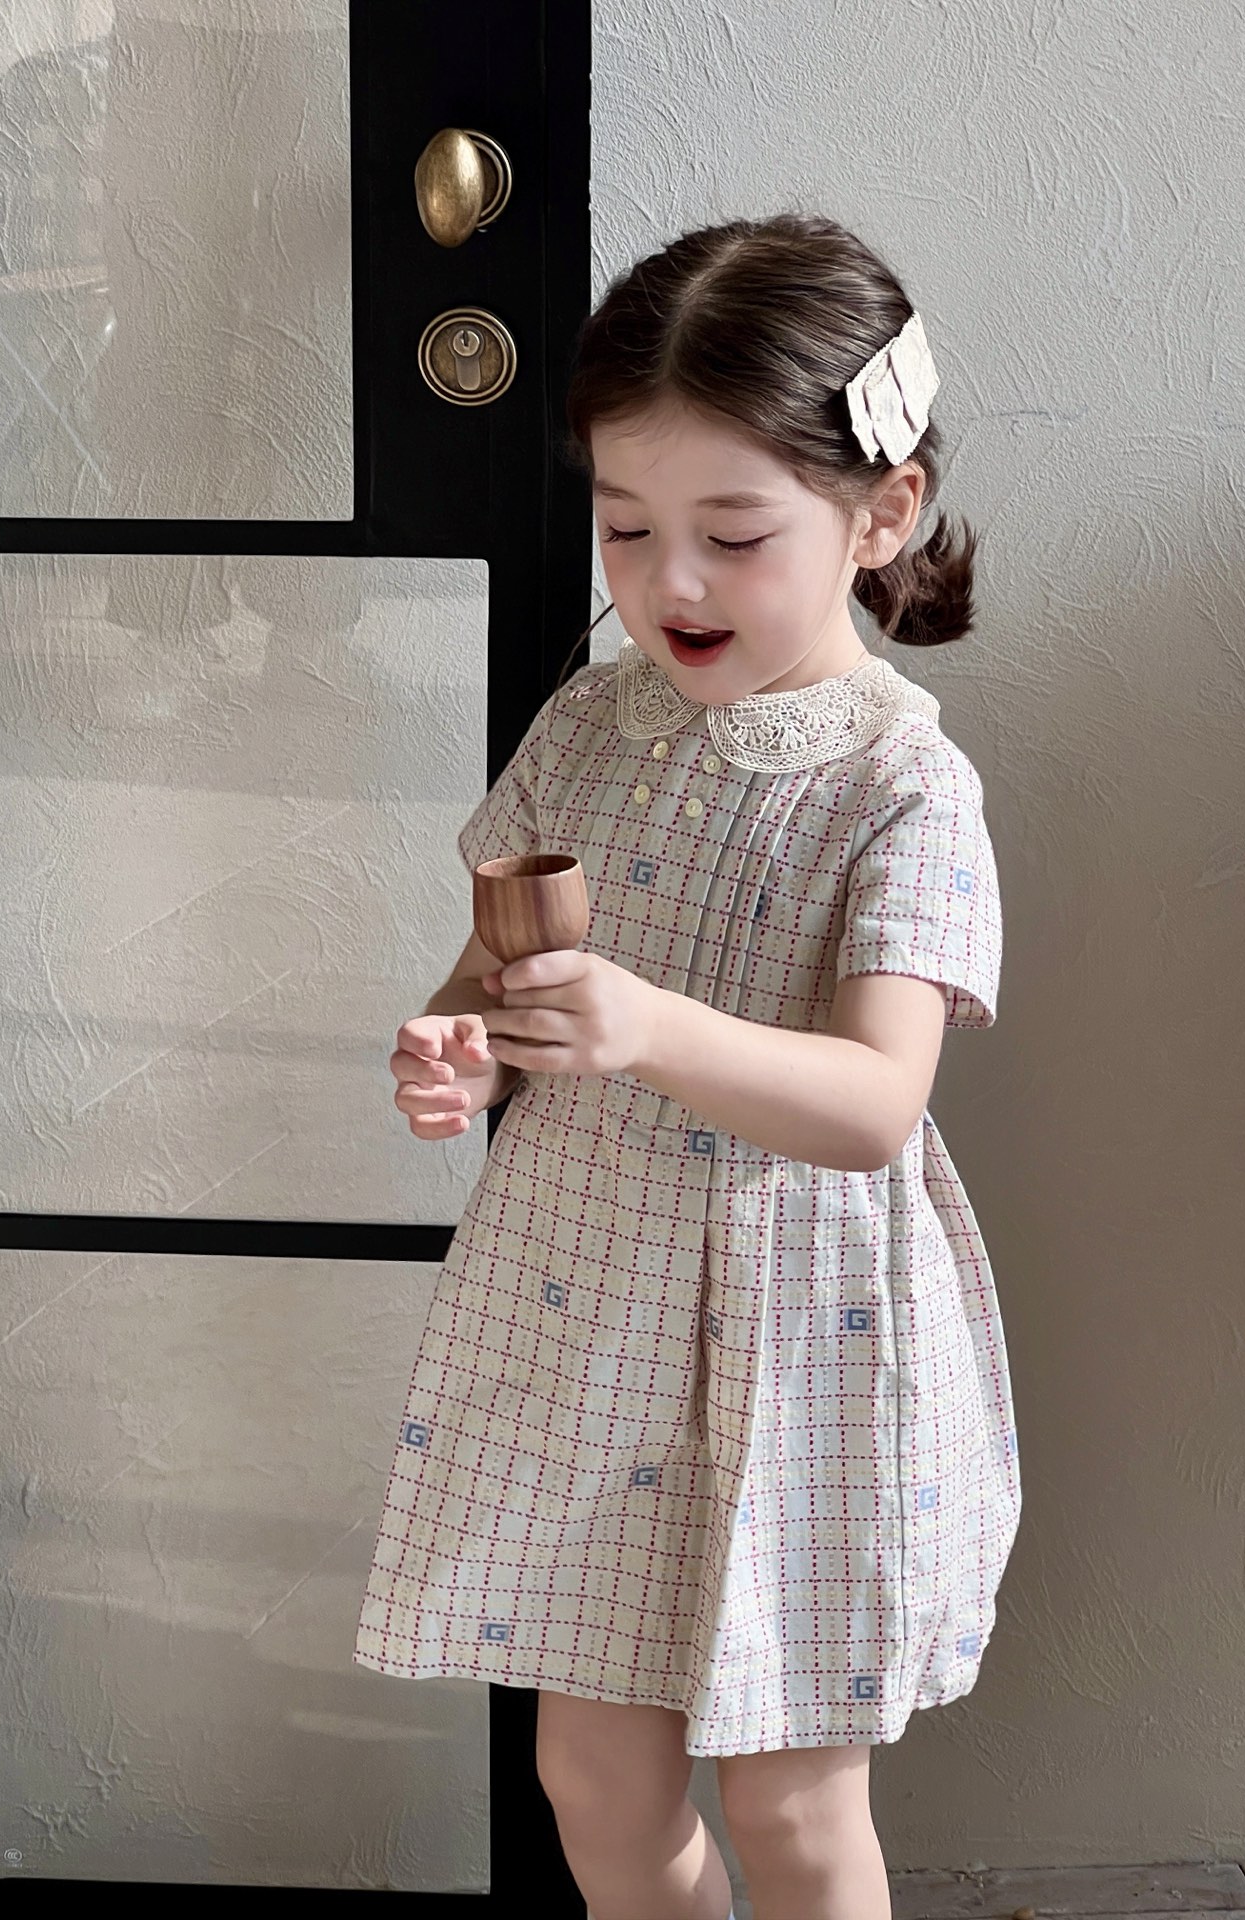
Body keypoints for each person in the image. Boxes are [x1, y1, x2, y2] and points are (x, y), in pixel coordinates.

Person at [353, 210, 1021, 1920]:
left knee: (791, 1802)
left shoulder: (900, 785)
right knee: (591, 1774)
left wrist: (645, 1028)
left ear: (882, 513)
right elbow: (500, 974)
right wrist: (460, 1053)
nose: (671, 585)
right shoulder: (595, 719)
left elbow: (875, 1104)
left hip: (804, 1340)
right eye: (627, 526)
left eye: (732, 534)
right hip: (587, 1313)